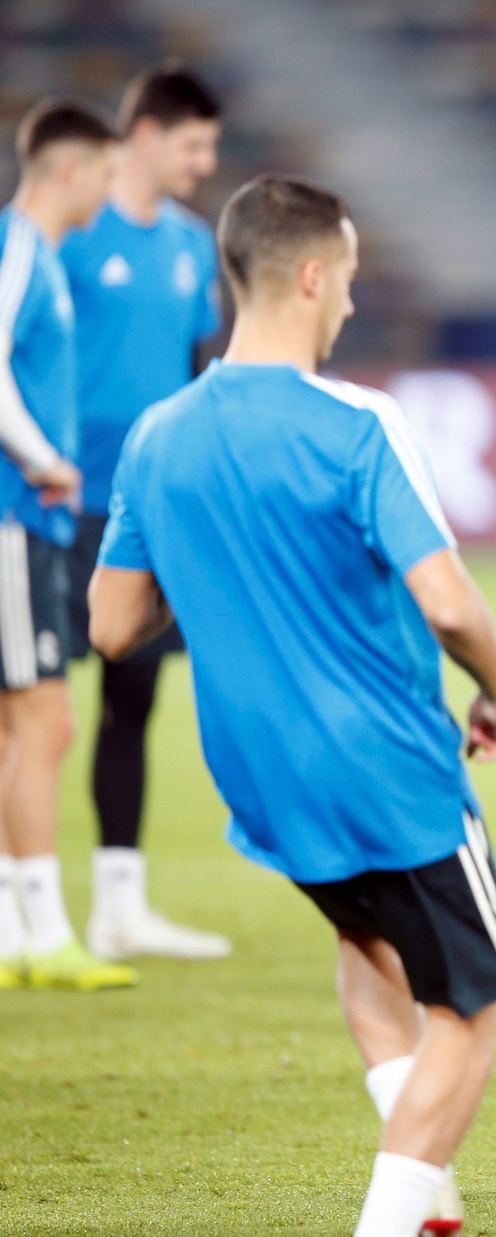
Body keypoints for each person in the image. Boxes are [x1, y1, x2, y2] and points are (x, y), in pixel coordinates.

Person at [88, 173, 496, 1237]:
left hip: (259, 774)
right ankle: (391, 1217)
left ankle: (425, 1191)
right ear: (315, 275)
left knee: (367, 938)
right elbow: (448, 600)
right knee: (470, 1010)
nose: (355, 301)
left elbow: (111, 624)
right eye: (353, 279)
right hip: (386, 765)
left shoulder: (158, 433)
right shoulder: (358, 421)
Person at [60, 61, 229, 962]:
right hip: (54, 503)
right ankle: (22, 899)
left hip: (140, 508)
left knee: (131, 704)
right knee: (31, 710)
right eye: (195, 145)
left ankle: (118, 905)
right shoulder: (67, 235)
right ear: (149, 133)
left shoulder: (194, 245)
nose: (205, 164)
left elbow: (198, 374)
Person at [0, 98, 123, 993]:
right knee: (47, 718)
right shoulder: (18, 246)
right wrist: (43, 458)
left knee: (20, 722)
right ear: (72, 168)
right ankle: (41, 930)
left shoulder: (38, 254)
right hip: (16, 515)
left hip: (25, 518)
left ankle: (17, 927)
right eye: (105, 173)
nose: (109, 192)